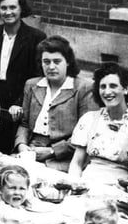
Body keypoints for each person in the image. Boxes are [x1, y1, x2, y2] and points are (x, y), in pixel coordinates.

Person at [14, 36, 96, 171]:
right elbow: (24, 123)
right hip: (31, 150)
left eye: (57, 61)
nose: (51, 67)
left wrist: (52, 151)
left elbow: (86, 134)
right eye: (46, 61)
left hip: (65, 157)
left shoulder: (83, 88)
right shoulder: (32, 85)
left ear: (68, 62)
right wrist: (21, 145)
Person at [0, 0, 46, 153]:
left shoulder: (36, 37)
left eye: (12, 7)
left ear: (21, 9)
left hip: (18, 100)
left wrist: (19, 104)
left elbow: (36, 76)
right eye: (3, 8)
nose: (8, 12)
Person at [68, 63, 128, 182]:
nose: (107, 92)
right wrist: (74, 184)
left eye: (113, 86)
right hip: (85, 185)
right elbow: (77, 163)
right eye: (103, 87)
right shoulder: (89, 119)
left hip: (118, 190)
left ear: (125, 89)